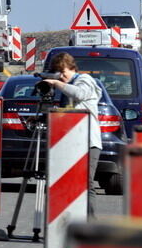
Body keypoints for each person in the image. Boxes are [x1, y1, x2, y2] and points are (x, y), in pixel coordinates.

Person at [41, 52, 103, 217]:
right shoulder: (64, 88)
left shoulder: (85, 80)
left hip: (88, 142)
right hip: (70, 143)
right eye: (58, 74)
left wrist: (55, 82)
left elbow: (80, 94)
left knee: (85, 183)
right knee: (67, 183)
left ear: (72, 68)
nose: (62, 77)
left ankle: (91, 224)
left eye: (64, 73)